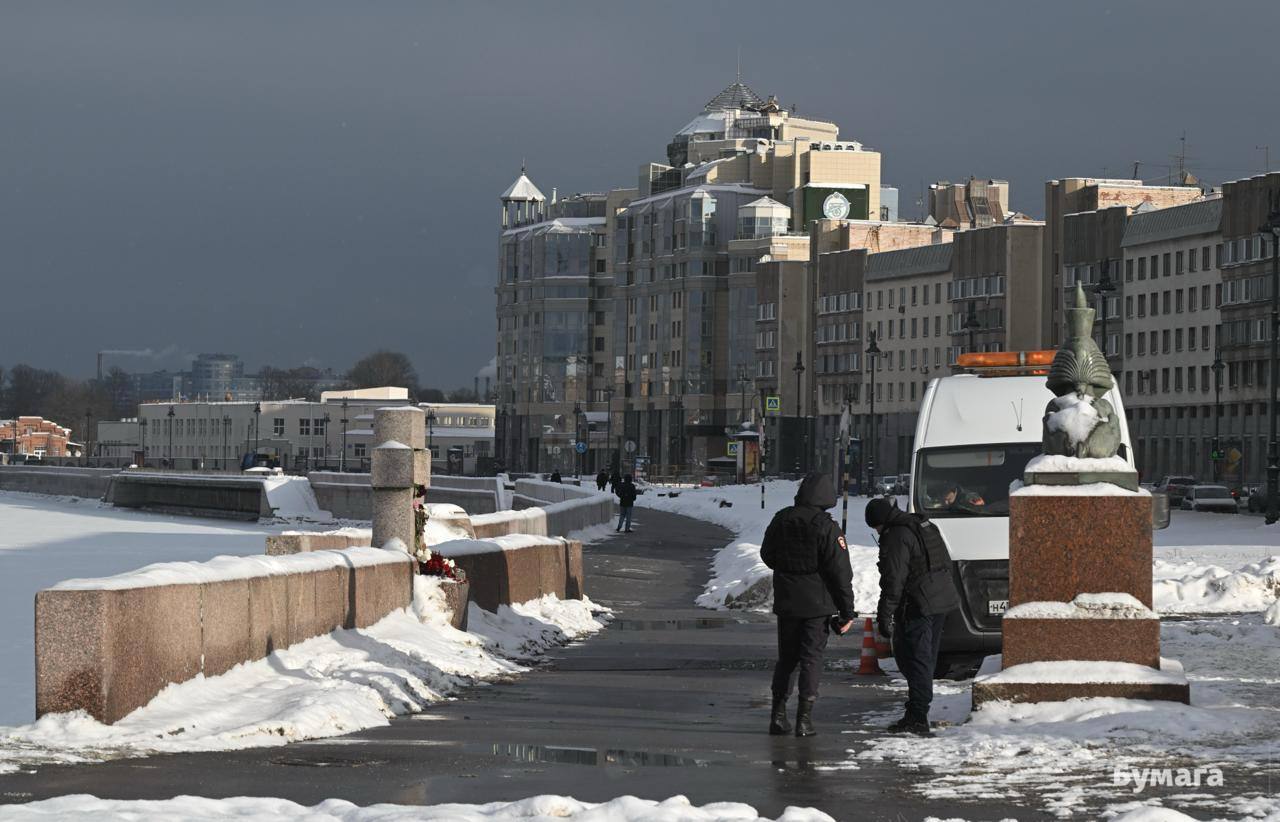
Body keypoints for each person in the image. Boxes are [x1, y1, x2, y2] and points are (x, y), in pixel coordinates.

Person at [759, 473, 856, 737]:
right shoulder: (827, 527)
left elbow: (766, 554)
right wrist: (847, 611)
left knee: (787, 659)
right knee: (811, 659)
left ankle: (777, 717)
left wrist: (788, 571)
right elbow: (840, 572)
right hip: (817, 605)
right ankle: (804, 720)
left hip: (787, 602)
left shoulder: (782, 518)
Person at [867, 497, 960, 737]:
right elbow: (945, 562)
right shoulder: (924, 525)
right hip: (940, 598)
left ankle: (918, 717)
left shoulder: (896, 536)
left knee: (914, 660)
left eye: (876, 528)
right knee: (924, 659)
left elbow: (893, 580)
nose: (877, 532)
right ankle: (916, 711)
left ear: (881, 522)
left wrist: (884, 614)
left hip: (919, 604)